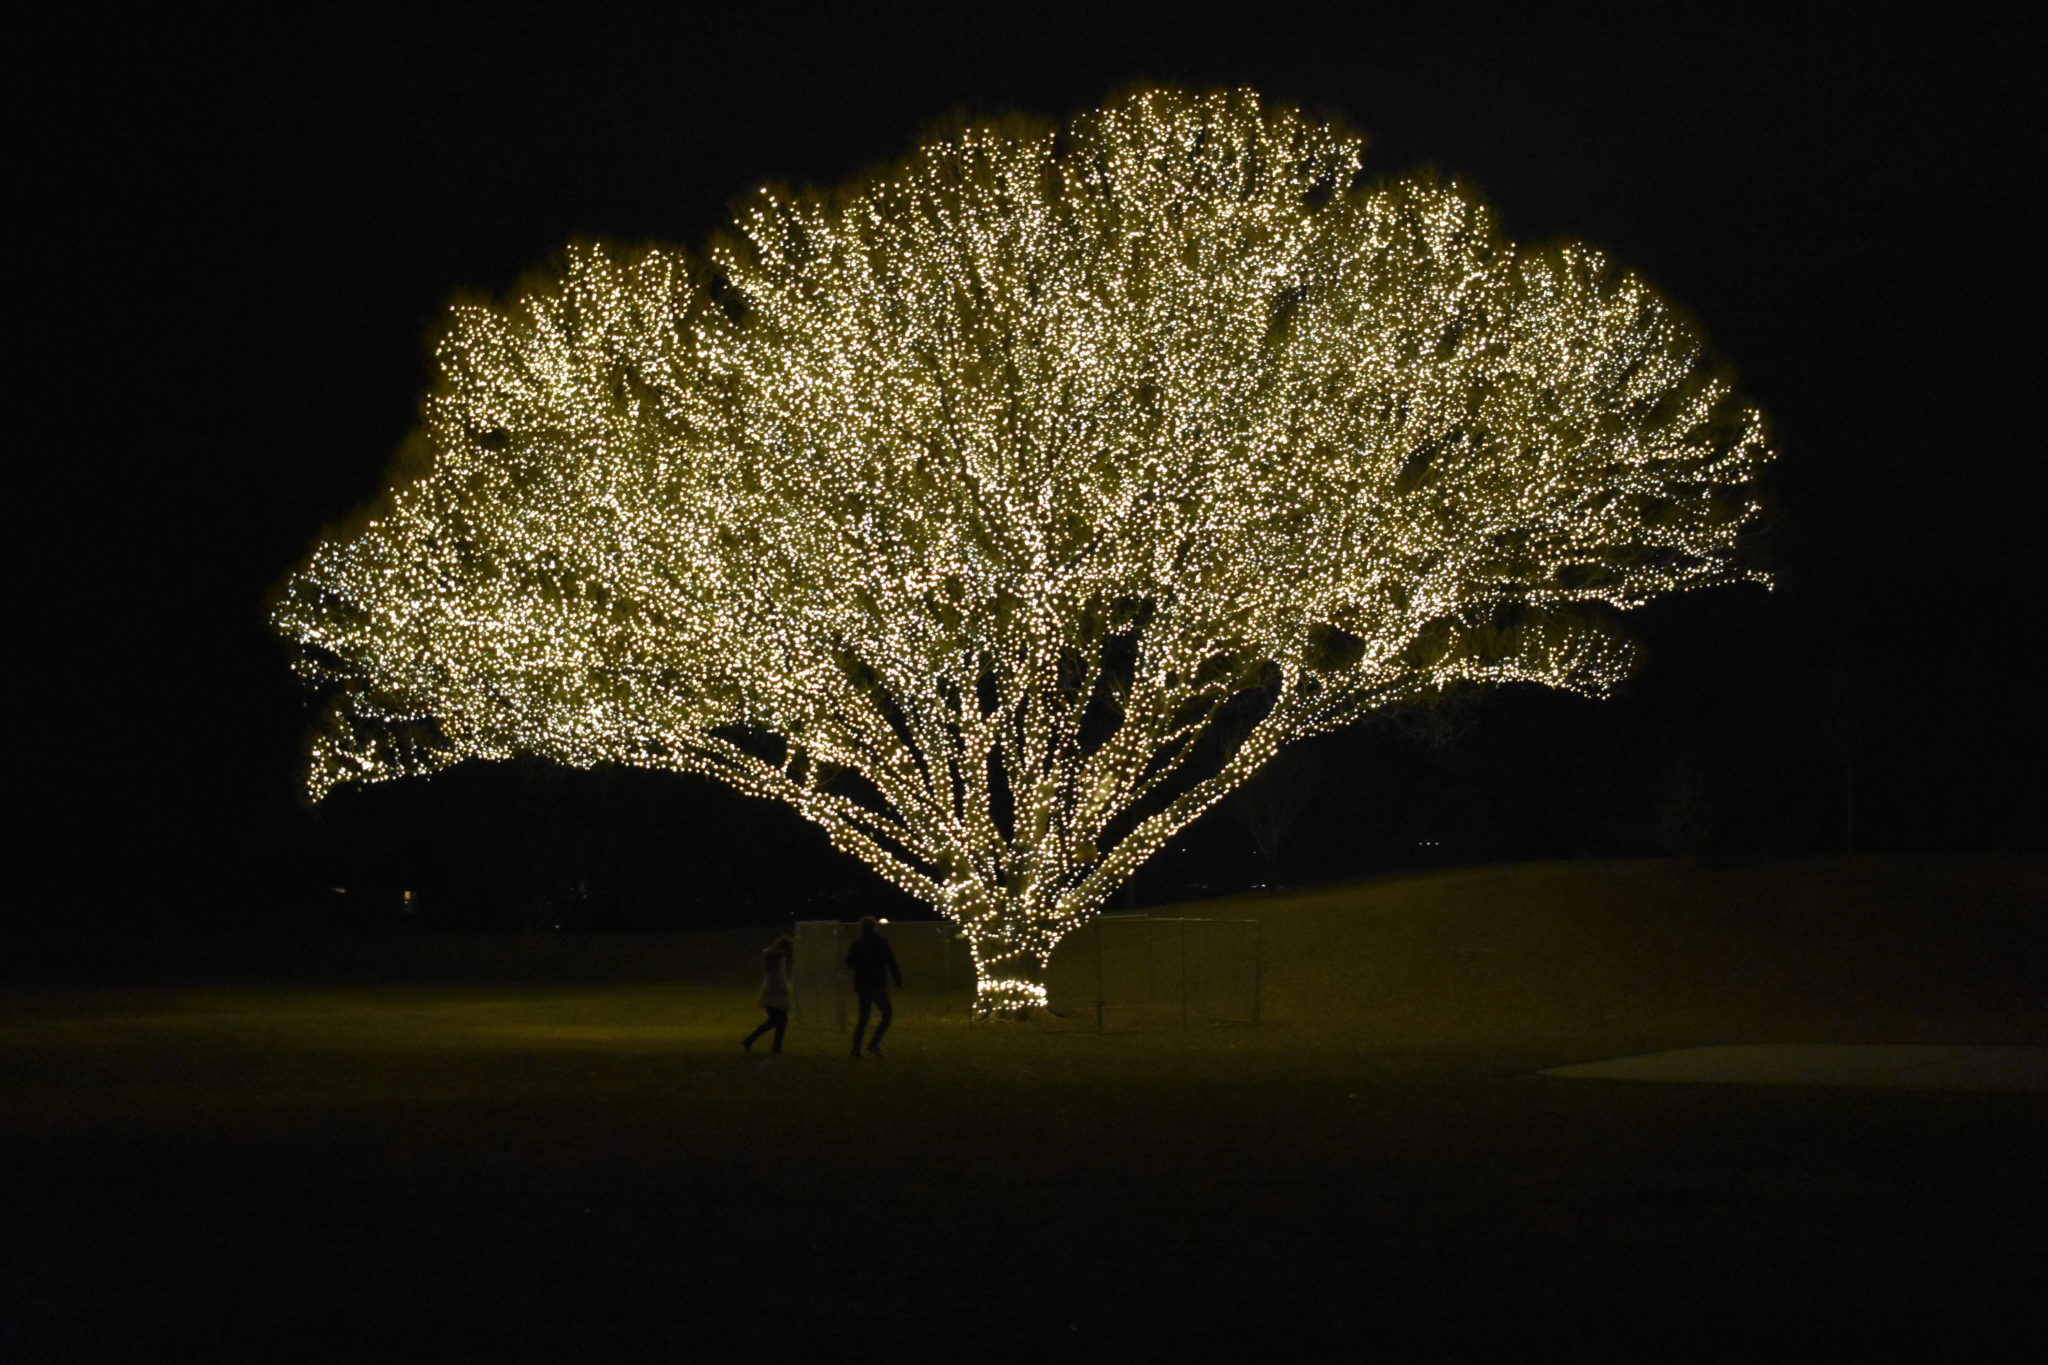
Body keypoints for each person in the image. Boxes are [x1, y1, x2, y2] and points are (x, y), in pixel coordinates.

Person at [845, 916, 902, 1057]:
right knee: (887, 1013)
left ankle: (856, 1047)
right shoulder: (880, 942)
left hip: (862, 983)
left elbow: (849, 963)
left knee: (864, 1016)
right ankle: (874, 1043)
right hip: (877, 983)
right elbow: (891, 961)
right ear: (875, 927)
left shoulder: (858, 944)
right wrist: (897, 979)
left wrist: (860, 966)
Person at [743, 935, 794, 1054]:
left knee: (779, 1020)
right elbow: (771, 953)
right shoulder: (773, 955)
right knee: (776, 1020)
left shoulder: (776, 955)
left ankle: (775, 1047)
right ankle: (752, 1040)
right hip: (773, 992)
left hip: (776, 991)